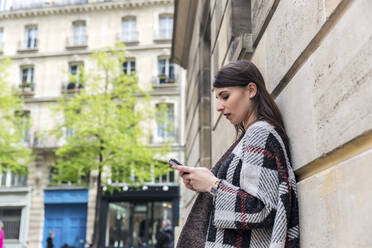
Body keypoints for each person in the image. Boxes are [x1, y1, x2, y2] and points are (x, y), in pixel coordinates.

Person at [172, 60, 300, 248]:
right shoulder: (248, 136)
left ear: (250, 90)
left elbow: (263, 209)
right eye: (217, 98)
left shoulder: (259, 133)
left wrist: (213, 185)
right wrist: (203, 181)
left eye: (225, 96)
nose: (219, 107)